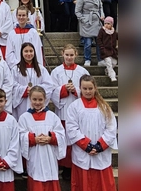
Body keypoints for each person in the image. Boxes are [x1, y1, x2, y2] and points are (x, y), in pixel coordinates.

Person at [66, 74, 117, 191]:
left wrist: (100, 145)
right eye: (84, 88)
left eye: (90, 88)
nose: (88, 91)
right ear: (80, 88)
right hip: (83, 153)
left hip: (101, 153)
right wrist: (87, 145)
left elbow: (111, 128)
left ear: (95, 88)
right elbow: (72, 128)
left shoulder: (104, 107)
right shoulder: (74, 107)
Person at [50, 44, 90, 180]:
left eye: (71, 55)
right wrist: (63, 89)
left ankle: (74, 166)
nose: (69, 57)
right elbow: (51, 91)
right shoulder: (56, 71)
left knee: (75, 138)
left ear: (76, 55)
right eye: (66, 55)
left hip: (78, 111)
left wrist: (75, 90)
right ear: (62, 54)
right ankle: (64, 166)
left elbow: (89, 89)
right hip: (62, 110)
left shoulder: (83, 71)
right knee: (64, 139)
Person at [18, 86, 66, 191]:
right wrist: (33, 139)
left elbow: (61, 135)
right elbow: (20, 135)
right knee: (36, 180)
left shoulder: (52, 116)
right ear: (30, 99)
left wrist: (51, 138)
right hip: (35, 156)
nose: (37, 102)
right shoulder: (24, 117)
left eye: (40, 99)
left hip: (49, 156)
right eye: (34, 99)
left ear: (45, 99)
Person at [11, 43, 54, 121]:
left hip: (37, 101)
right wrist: (24, 90)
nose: (29, 54)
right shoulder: (15, 69)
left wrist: (35, 90)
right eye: (26, 51)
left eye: (31, 51)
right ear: (21, 53)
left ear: (34, 52)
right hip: (22, 103)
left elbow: (49, 85)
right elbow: (12, 85)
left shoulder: (41, 68)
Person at [75, 0, 104, 67]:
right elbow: (77, 11)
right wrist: (83, 20)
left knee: (99, 42)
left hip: (97, 21)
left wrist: (102, 15)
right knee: (87, 43)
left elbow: (100, 7)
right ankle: (87, 59)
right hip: (87, 22)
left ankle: (100, 59)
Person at [96, 16, 118, 82]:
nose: (106, 25)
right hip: (105, 50)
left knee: (114, 62)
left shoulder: (113, 32)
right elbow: (98, 39)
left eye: (108, 24)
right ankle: (112, 76)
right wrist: (102, 47)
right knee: (108, 62)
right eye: (105, 23)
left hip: (113, 50)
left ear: (111, 24)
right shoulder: (102, 30)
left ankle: (107, 70)